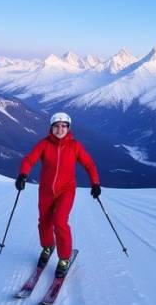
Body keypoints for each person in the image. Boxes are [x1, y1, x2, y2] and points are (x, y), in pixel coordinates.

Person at [16, 112, 101, 277]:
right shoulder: (44, 144)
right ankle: (48, 246)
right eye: (56, 126)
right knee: (44, 222)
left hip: (66, 190)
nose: (60, 129)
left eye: (64, 126)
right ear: (51, 128)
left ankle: (64, 258)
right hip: (46, 191)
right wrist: (23, 174)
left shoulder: (75, 146)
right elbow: (29, 160)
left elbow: (89, 164)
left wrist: (95, 183)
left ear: (68, 128)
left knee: (60, 222)